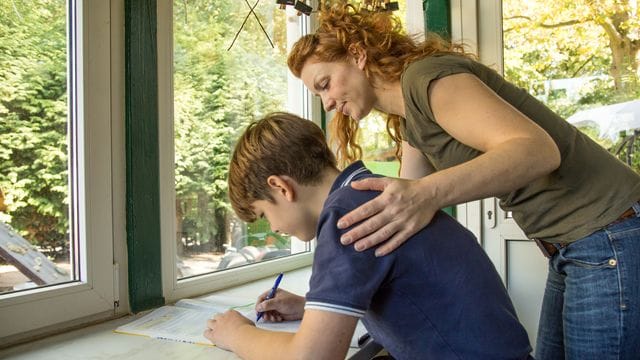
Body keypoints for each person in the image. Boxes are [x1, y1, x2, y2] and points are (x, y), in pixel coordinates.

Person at [286, 3, 640, 359]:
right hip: (573, 244)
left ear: (358, 55)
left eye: (325, 84)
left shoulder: (428, 79)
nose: (328, 103)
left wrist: (427, 193)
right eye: (318, 96)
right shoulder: (410, 121)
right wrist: (321, 308)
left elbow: (538, 151)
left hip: (607, 232)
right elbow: (403, 228)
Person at [204, 112, 532, 359]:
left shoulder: (345, 215)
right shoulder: (366, 191)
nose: (274, 228)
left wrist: (237, 334)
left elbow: (312, 357)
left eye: (264, 214)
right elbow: (402, 289)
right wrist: (310, 308)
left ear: (281, 187)